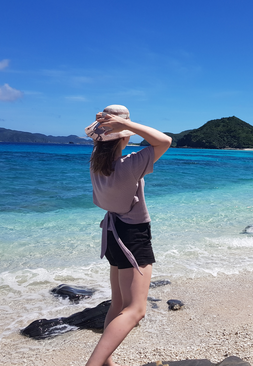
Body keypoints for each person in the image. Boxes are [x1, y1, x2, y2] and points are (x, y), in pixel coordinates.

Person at [84, 105, 172, 366]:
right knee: (135, 311)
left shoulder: (96, 163)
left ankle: (107, 362)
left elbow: (102, 144)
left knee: (118, 304)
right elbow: (165, 141)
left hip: (112, 234)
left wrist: (112, 127)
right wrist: (126, 126)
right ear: (124, 136)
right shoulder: (131, 164)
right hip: (132, 236)